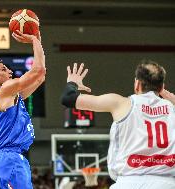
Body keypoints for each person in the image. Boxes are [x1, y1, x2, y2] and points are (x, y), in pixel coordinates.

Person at [61, 60, 175, 189]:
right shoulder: (172, 109)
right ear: (161, 87)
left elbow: (68, 98)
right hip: (167, 183)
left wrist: (73, 83)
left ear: (137, 84)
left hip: (128, 182)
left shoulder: (120, 103)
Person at [0, 30, 45, 189]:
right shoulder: (5, 90)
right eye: (3, 69)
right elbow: (39, 71)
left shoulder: (11, 96)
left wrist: (38, 40)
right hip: (10, 160)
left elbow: (40, 77)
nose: (9, 71)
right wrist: (34, 41)